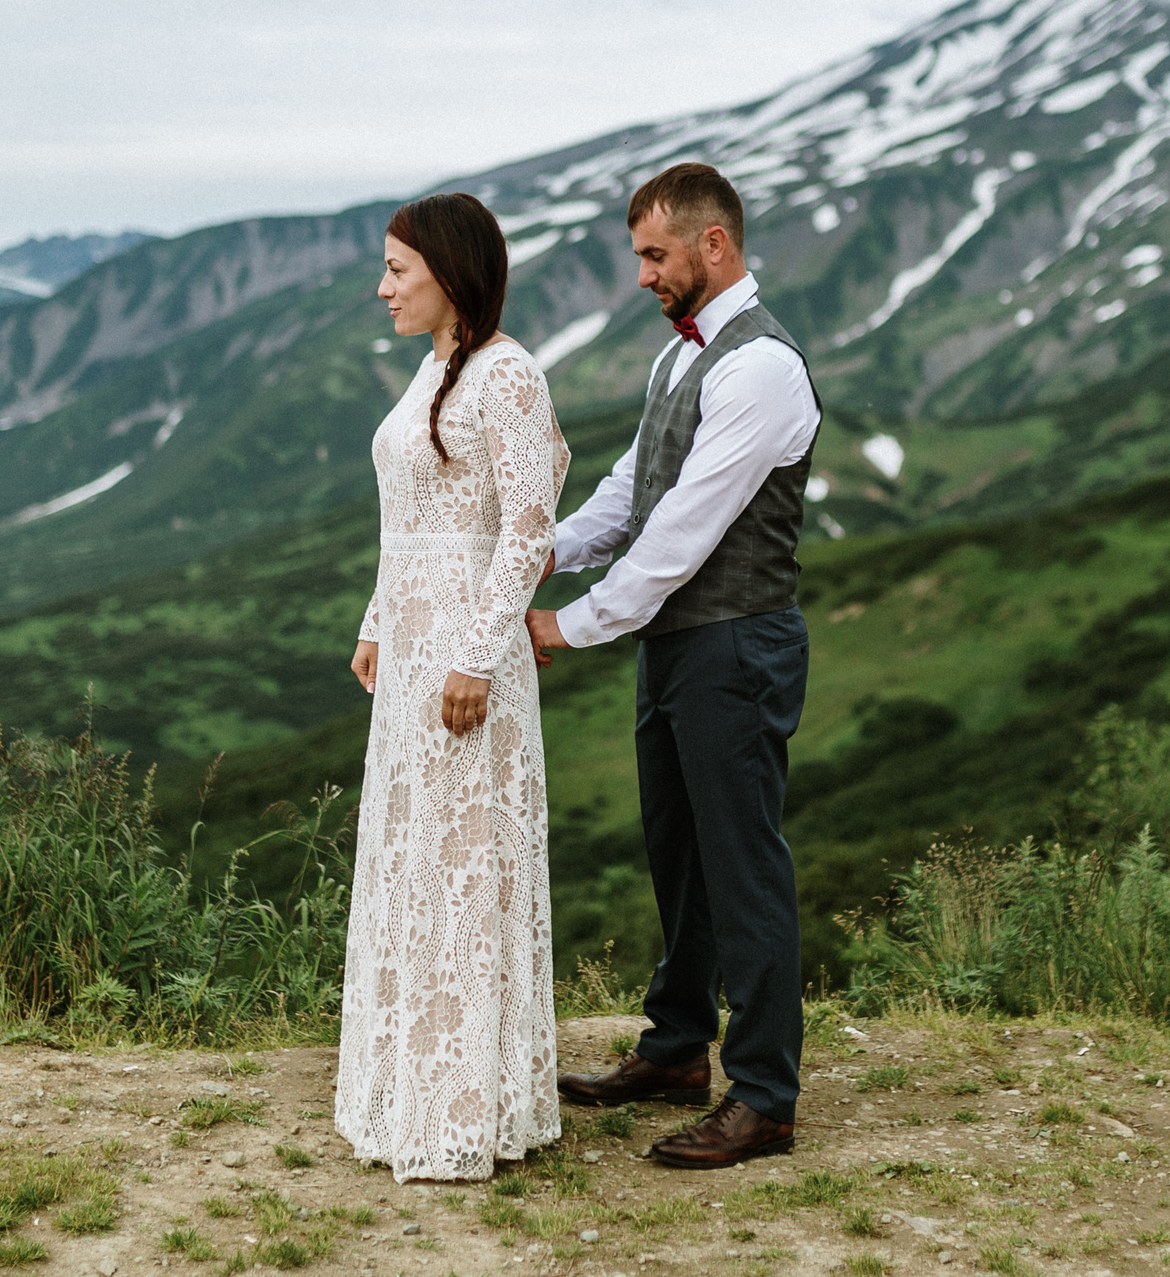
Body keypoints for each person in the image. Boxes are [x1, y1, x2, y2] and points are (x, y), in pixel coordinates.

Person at [526, 161, 821, 1170]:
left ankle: (766, 1096)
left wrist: (573, 624)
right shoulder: (678, 360)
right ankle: (676, 1049)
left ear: (713, 245)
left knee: (743, 866)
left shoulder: (761, 368)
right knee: (678, 854)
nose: (643, 274)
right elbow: (635, 486)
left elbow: (684, 531)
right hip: (679, 645)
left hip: (736, 642)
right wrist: (540, 550)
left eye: (655, 254)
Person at [335, 191, 570, 1182]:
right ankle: (409, 1094)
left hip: (467, 656)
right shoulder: (433, 368)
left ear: (447, 271)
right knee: (416, 862)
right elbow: (412, 518)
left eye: (398, 269)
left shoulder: (505, 374)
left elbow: (528, 522)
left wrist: (476, 655)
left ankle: (466, 1106)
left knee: (466, 862)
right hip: (413, 651)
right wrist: (378, 619)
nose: (382, 286)